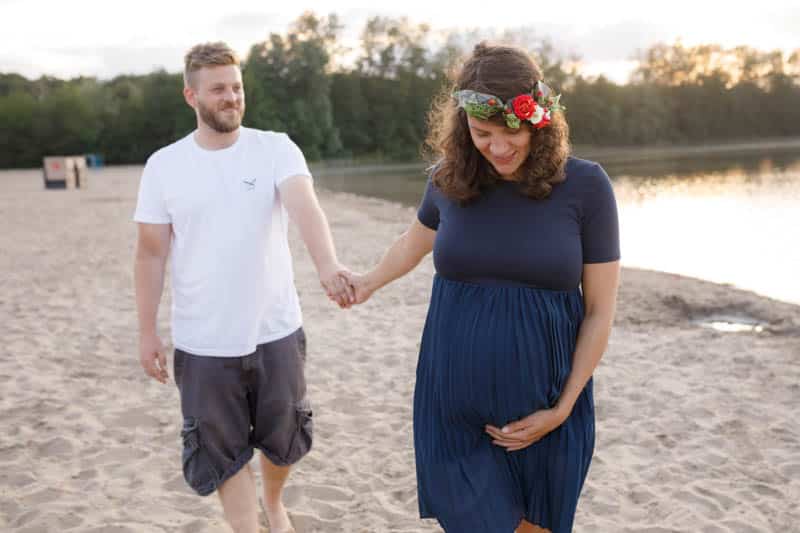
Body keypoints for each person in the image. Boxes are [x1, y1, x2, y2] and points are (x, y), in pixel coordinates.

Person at [344, 43, 620, 533]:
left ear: (538, 118)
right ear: (463, 126)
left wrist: (563, 408)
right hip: (453, 408)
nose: (497, 147)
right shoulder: (448, 182)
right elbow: (412, 244)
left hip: (549, 408)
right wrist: (365, 284)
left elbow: (599, 311)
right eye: (481, 133)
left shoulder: (586, 187)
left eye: (510, 131)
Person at [133, 41, 353, 533]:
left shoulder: (275, 147)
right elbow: (150, 253)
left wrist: (327, 265)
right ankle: (248, 525)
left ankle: (273, 502)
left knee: (285, 438)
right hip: (203, 339)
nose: (231, 97)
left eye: (236, 87)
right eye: (218, 89)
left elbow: (305, 207)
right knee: (219, 449)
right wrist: (147, 331)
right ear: (191, 95)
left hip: (275, 329)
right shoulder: (164, 165)